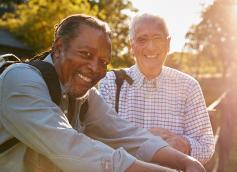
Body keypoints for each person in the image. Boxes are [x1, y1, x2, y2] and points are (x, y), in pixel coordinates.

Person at [0, 14, 206, 172]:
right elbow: (71, 148)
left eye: (103, 62)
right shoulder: (20, 81)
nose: (94, 68)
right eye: (86, 54)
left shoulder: (84, 97)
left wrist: (186, 161)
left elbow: (125, 134)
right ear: (59, 47)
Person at [99, 13, 215, 164]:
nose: (151, 47)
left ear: (168, 44)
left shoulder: (188, 87)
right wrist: (143, 144)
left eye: (157, 39)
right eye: (142, 39)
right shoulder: (110, 83)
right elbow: (98, 143)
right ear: (131, 46)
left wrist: (182, 144)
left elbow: (206, 146)